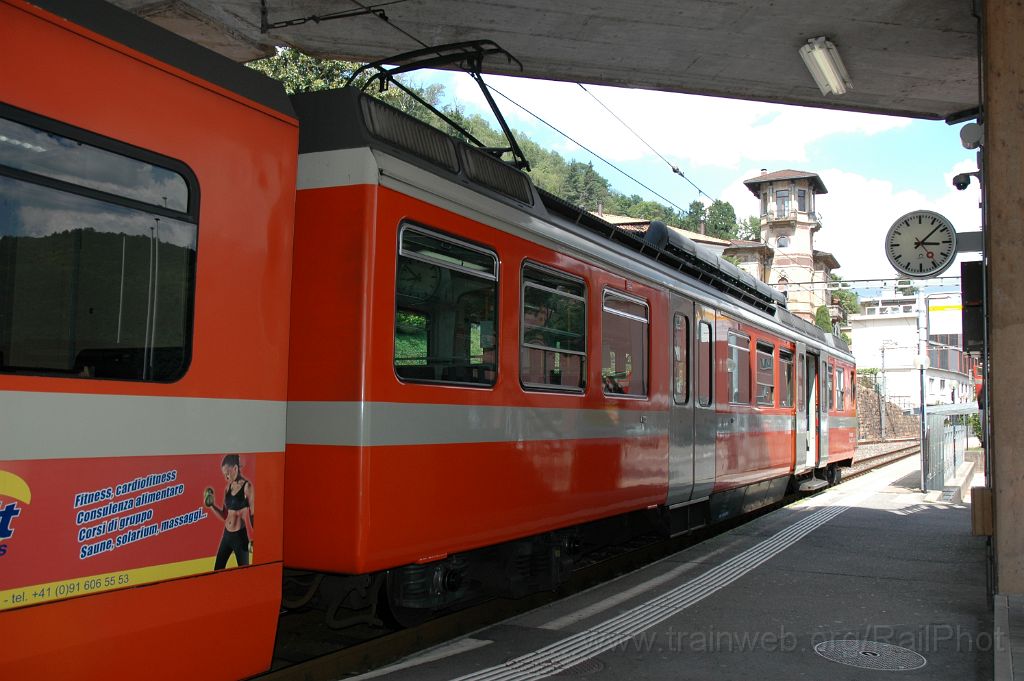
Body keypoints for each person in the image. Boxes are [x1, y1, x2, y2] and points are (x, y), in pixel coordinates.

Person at [204, 454, 254, 570]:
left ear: (235, 468)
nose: (226, 477)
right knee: (217, 569)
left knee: (244, 572)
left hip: (240, 538)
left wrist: (259, 537)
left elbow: (253, 516)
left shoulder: (247, 487)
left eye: (228, 473)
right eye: (224, 474)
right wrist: (211, 505)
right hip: (226, 536)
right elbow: (224, 515)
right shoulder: (227, 488)